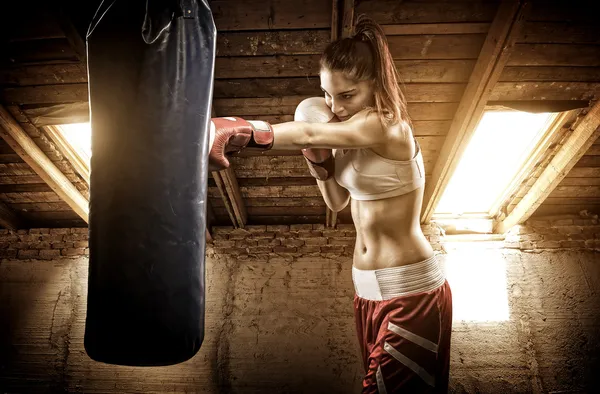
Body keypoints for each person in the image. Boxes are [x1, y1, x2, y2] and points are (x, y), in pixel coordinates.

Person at [208, 15, 453, 394]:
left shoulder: (387, 126)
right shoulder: (345, 130)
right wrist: (318, 159)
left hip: (409, 289)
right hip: (366, 291)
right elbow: (338, 201)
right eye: (326, 94)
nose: (334, 106)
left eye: (347, 95)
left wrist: (241, 128)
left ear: (375, 84)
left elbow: (307, 129)